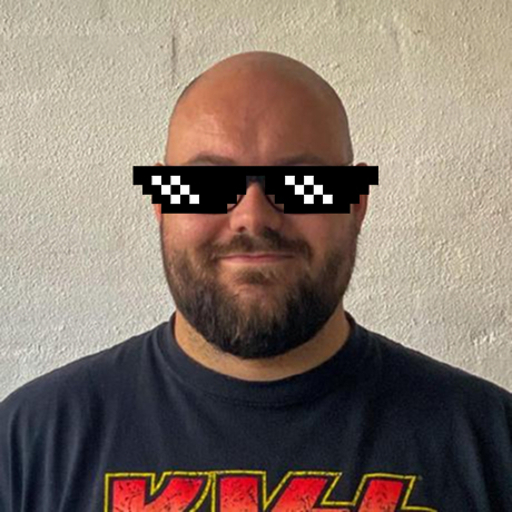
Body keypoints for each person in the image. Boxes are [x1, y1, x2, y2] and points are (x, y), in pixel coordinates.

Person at [1, 51, 511, 512]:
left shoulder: (491, 442)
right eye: (207, 184)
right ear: (161, 201)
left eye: (303, 184)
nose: (252, 216)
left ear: (356, 204)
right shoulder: (29, 445)